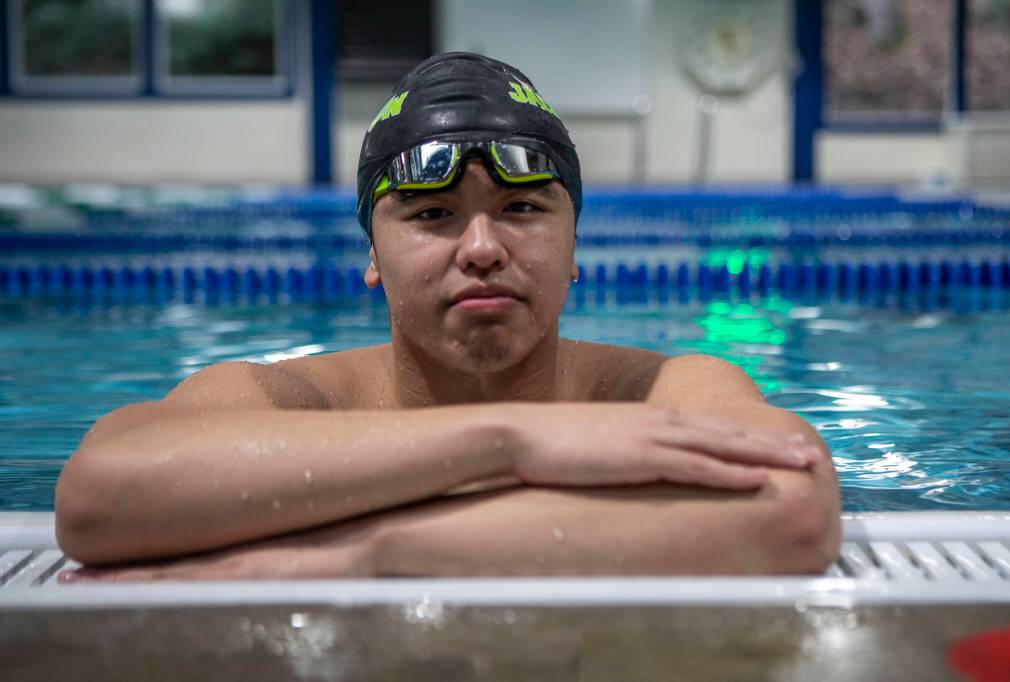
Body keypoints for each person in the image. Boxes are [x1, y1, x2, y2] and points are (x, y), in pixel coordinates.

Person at [55, 53, 840, 581]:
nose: (482, 247)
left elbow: (795, 510)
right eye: (431, 215)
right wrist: (515, 439)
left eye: (523, 207)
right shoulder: (292, 399)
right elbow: (97, 498)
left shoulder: (663, 384)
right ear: (372, 255)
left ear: (574, 245)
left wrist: (370, 549)